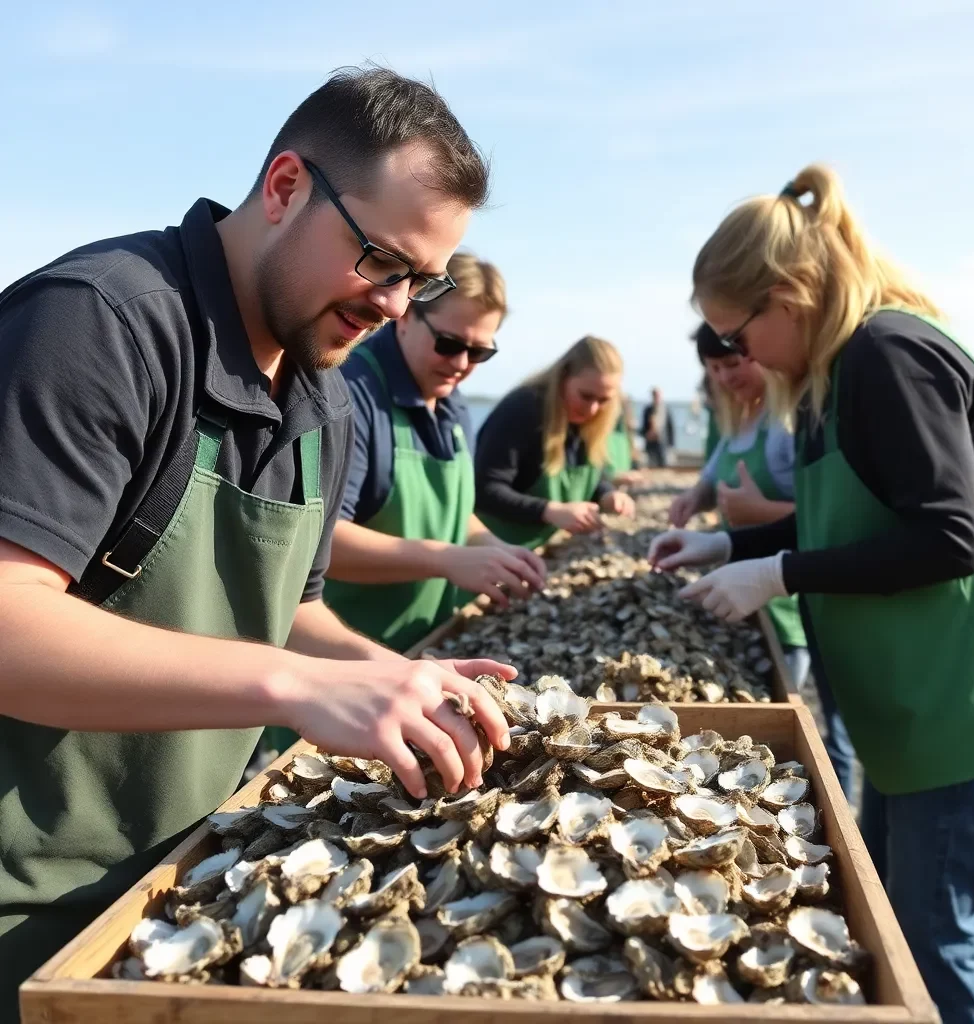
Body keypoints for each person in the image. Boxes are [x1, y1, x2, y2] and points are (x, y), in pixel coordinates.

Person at [0, 68, 517, 1019]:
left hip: (182, 885)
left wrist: (393, 678)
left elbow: (290, 609)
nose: (398, 307)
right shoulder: (100, 324)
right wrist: (301, 688)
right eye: (382, 261)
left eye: (422, 280)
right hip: (25, 914)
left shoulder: (324, 398)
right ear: (285, 188)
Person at [649, 163, 974, 1024]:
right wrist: (729, 542)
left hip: (963, 712)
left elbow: (950, 538)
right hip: (910, 709)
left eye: (736, 337)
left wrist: (777, 575)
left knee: (932, 949)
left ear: (788, 294)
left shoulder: (892, 355)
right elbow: (842, 518)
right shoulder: (837, 368)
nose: (735, 359)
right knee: (891, 919)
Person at [322, 251, 546, 656]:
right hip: (342, 662)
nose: (461, 364)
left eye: (479, 353)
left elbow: (454, 515)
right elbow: (320, 543)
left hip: (425, 647)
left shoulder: (453, 402)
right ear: (406, 316)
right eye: (448, 344)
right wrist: (445, 560)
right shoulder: (350, 394)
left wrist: (493, 548)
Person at [668, 323, 857, 799]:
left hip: (789, 595)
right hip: (746, 587)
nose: (725, 377)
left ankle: (828, 811)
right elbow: (711, 477)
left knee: (821, 734)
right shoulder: (740, 420)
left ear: (757, 353)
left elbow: (824, 520)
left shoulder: (784, 426)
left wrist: (755, 514)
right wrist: (694, 500)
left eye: (733, 363)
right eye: (713, 369)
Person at [474, 336, 636, 549]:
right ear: (563, 377)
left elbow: (589, 475)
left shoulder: (588, 422)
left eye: (604, 400)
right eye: (585, 396)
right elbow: (485, 489)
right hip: (489, 549)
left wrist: (606, 494)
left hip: (535, 551)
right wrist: (549, 511)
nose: (593, 409)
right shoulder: (523, 409)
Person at [641, 386, 675, 467]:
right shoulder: (648, 410)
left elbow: (670, 427)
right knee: (651, 464)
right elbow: (644, 427)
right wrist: (646, 435)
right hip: (651, 443)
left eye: (658, 395)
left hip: (662, 442)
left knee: (663, 463)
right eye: (655, 395)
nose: (656, 397)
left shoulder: (665, 409)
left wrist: (671, 443)